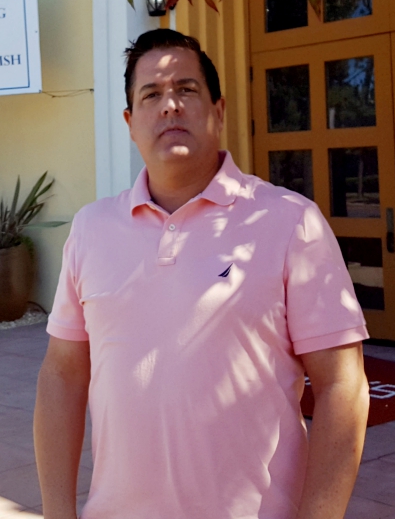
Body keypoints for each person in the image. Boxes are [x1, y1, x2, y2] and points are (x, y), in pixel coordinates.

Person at [33, 29, 370, 518]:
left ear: (219, 110)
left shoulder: (289, 222)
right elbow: (62, 374)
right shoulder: (91, 230)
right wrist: (57, 511)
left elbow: (343, 385)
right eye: (151, 94)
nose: (170, 105)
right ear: (130, 123)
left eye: (186, 90)